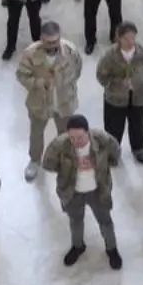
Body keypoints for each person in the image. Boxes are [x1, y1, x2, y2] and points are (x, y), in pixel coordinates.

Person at [40, 114, 123, 269]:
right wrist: (68, 168)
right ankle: (78, 246)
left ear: (88, 132)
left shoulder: (102, 139)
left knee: (105, 221)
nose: (76, 141)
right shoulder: (60, 144)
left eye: (80, 137)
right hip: (72, 193)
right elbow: (48, 163)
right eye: (72, 138)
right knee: (75, 221)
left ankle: (111, 249)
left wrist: (99, 165)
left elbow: (115, 153)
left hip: (98, 191)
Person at [17, 21, 84, 182]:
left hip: (64, 101)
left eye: (55, 41)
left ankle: (64, 159)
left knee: (65, 134)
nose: (52, 45)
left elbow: (77, 70)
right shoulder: (30, 54)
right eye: (48, 42)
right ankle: (34, 161)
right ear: (41, 39)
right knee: (36, 133)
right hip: (40, 102)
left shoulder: (70, 51)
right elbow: (22, 76)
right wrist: (39, 83)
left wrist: (63, 83)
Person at [95, 22, 143, 163]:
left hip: (138, 96)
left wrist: (138, 78)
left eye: (133, 38)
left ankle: (138, 148)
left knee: (138, 124)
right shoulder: (109, 56)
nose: (130, 42)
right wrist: (117, 82)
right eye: (126, 39)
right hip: (116, 97)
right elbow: (101, 76)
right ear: (119, 38)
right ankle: (112, 152)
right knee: (114, 126)